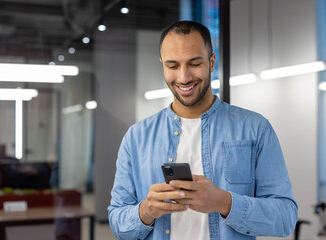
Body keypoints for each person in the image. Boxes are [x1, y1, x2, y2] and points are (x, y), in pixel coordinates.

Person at [108, 21, 298, 240]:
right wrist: (145, 211)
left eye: (194, 63)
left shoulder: (255, 129)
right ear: (162, 64)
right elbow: (117, 222)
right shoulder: (136, 137)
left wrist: (224, 202)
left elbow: (285, 218)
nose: (184, 77)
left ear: (212, 61)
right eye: (172, 66)